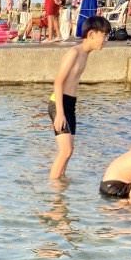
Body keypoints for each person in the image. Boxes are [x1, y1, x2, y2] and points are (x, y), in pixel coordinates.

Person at [49, 15, 110, 179]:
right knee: (65, 151)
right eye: (104, 35)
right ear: (91, 34)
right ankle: (53, 193)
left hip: (70, 104)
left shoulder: (85, 53)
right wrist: (60, 113)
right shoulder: (74, 53)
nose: (105, 40)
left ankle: (61, 187)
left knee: (69, 152)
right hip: (58, 103)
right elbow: (58, 82)